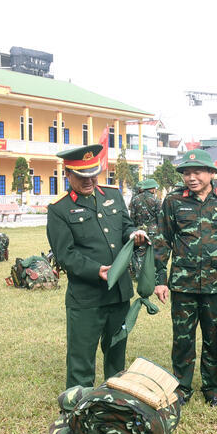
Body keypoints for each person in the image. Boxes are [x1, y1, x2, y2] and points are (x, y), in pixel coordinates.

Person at [46, 144, 148, 390]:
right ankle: (77, 405)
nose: (89, 181)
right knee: (81, 359)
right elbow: (65, 254)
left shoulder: (112, 195)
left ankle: (114, 400)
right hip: (86, 298)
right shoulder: (59, 209)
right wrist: (96, 270)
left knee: (116, 354)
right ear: (67, 174)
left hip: (119, 293)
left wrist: (133, 234)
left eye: (93, 174)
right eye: (82, 176)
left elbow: (125, 226)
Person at [154, 149, 217, 408]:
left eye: (197, 172)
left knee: (215, 337)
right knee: (182, 338)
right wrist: (160, 278)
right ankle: (181, 388)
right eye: (186, 173)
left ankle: (213, 389)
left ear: (212, 173)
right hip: (183, 283)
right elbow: (162, 240)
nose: (191, 178)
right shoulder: (173, 201)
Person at [128, 178, 161, 276]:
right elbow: (159, 217)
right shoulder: (156, 200)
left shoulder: (135, 199)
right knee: (152, 253)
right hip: (153, 231)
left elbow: (132, 217)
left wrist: (133, 229)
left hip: (139, 230)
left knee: (139, 253)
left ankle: (138, 274)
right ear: (153, 189)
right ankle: (151, 274)